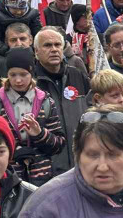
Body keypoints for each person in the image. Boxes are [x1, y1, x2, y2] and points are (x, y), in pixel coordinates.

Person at [0, 49, 66, 186]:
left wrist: (40, 134)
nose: (18, 80)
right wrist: (13, 149)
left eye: (23, 74)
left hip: (42, 179)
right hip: (5, 178)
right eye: (12, 75)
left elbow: (59, 145)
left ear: (31, 74)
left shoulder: (46, 102)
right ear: (6, 75)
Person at [31, 27, 90, 181]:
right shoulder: (31, 82)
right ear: (36, 51)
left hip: (82, 164)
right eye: (47, 45)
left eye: (58, 45)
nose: (54, 49)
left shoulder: (77, 75)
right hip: (48, 169)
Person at [0, 22, 33, 96]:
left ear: (30, 40)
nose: (19, 44)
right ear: (6, 42)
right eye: (13, 40)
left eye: (23, 39)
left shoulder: (41, 63)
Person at [67, 3, 108, 75]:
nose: (90, 18)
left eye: (91, 15)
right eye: (85, 16)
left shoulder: (99, 37)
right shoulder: (68, 39)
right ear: (76, 19)